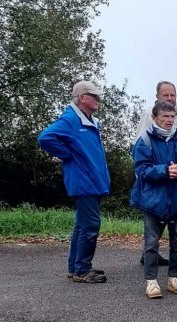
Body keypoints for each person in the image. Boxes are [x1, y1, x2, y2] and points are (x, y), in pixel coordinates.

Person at [37, 81, 110, 283]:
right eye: (93, 96)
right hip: (84, 181)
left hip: (91, 181)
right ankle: (83, 270)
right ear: (81, 98)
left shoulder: (88, 120)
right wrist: (67, 155)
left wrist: (70, 155)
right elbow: (45, 138)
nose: (98, 99)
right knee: (90, 226)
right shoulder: (71, 119)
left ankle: (75, 267)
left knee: (81, 226)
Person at [129, 101, 177, 298]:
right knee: (151, 243)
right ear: (155, 117)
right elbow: (141, 170)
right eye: (164, 117)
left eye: (172, 117)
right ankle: (151, 281)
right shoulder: (144, 141)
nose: (169, 120)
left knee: (176, 242)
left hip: (175, 199)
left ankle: (173, 278)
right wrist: (165, 170)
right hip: (153, 200)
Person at [137, 81, 177, 269]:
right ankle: (149, 256)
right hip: (156, 179)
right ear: (157, 97)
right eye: (166, 95)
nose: (170, 98)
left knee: (175, 219)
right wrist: (151, 175)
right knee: (156, 220)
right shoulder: (148, 116)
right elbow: (141, 147)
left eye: (173, 95)